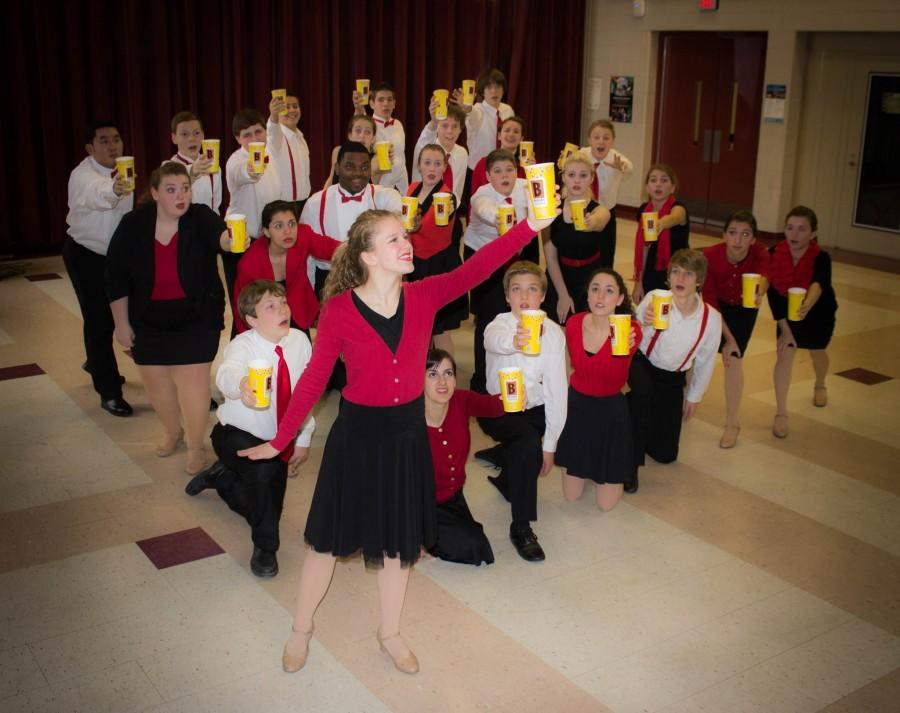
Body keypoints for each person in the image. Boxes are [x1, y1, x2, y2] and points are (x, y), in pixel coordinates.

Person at [237, 202, 557, 676]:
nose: (406, 244)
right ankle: (300, 629)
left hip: (406, 435)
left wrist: (531, 225)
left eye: (403, 237)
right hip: (357, 436)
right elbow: (312, 381)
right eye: (393, 239)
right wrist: (281, 439)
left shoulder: (425, 295)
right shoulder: (340, 310)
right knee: (325, 543)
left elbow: (480, 267)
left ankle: (389, 634)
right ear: (367, 255)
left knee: (396, 545)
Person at [106, 162, 231, 475]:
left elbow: (221, 237)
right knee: (157, 384)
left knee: (194, 385)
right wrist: (122, 324)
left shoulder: (199, 217)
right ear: (155, 194)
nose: (181, 196)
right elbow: (116, 277)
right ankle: (172, 432)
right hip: (148, 319)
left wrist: (230, 241)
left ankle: (194, 445)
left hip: (196, 316)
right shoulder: (134, 224)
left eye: (185, 188)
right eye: (171, 190)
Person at [185, 280, 314, 577]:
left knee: (266, 502)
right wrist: (240, 385)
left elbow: (307, 395)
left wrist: (303, 437)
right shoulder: (242, 345)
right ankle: (265, 547)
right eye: (271, 306)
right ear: (252, 320)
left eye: (283, 302)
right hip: (235, 433)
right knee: (265, 478)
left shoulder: (299, 341)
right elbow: (226, 373)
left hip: (278, 437)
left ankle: (223, 479)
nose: (282, 309)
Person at [477, 261, 567, 562]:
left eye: (531, 289)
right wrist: (514, 340)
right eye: (516, 289)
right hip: (497, 408)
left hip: (534, 409)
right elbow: (494, 341)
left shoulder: (554, 334)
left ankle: (507, 473)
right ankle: (522, 525)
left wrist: (551, 446)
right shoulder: (498, 325)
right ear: (507, 297)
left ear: (542, 296)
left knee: (530, 443)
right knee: (527, 443)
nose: (524, 296)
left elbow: (557, 390)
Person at [627, 249, 722, 491]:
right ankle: (630, 465)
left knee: (666, 454)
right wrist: (642, 320)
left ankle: (637, 422)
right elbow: (634, 325)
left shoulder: (711, 319)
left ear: (699, 281)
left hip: (672, 378)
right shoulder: (657, 297)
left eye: (689, 274)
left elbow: (706, 360)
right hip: (642, 364)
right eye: (676, 272)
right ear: (668, 276)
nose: (680, 279)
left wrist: (694, 396)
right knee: (642, 399)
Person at [64, 120, 134, 417]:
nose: (112, 145)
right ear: (90, 148)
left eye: (116, 139)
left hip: (116, 256)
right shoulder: (83, 175)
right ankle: (108, 391)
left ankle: (96, 361)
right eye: (104, 141)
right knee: (98, 321)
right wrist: (116, 189)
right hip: (86, 255)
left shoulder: (124, 167)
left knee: (126, 315)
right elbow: (99, 193)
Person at [556, 269, 640, 512]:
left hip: (610, 410)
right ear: (588, 295)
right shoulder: (573, 323)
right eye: (595, 289)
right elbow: (567, 367)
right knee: (571, 497)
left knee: (605, 506)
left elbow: (614, 374)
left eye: (609, 290)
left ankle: (606, 468)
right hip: (577, 407)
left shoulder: (630, 331)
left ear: (620, 299)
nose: (600, 296)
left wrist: (623, 349)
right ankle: (586, 464)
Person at [463, 149, 537, 392]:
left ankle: (520, 370)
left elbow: (543, 193)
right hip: (484, 256)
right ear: (487, 175)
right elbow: (485, 209)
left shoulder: (524, 187)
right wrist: (501, 217)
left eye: (509, 170)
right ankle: (481, 379)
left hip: (515, 257)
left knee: (522, 312)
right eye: (497, 171)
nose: (505, 175)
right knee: (488, 316)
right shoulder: (481, 195)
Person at [767, 206, 837, 438]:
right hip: (786, 313)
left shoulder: (821, 257)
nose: (794, 235)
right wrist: (785, 330)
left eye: (802, 229)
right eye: (790, 228)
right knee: (785, 354)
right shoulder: (774, 253)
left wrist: (808, 303)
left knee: (818, 352)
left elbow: (819, 283)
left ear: (813, 233)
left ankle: (820, 383)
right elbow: (774, 295)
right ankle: (781, 413)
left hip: (818, 311)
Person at [424, 349, 499, 566]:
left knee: (480, 548)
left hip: (453, 497)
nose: (442, 381)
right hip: (418, 504)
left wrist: (516, 394)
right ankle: (414, 536)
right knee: (473, 548)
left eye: (448, 373)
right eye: (432, 374)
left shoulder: (461, 400)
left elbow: (493, 406)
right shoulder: (408, 417)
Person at [702, 210, 770, 448]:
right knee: (696, 354)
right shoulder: (710, 256)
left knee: (734, 358)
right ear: (724, 235)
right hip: (716, 307)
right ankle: (683, 405)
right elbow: (710, 303)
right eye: (732, 233)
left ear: (753, 239)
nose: (738, 240)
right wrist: (726, 337)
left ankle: (732, 423)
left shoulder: (760, 252)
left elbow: (765, 274)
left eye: (745, 234)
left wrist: (760, 288)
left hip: (744, 308)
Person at [233, 200, 340, 334]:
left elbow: (332, 248)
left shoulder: (303, 236)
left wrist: (363, 250)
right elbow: (242, 308)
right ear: (266, 231)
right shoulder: (249, 265)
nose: (288, 231)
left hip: (298, 312)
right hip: (265, 321)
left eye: (292, 223)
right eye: (279, 226)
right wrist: (250, 339)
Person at [224, 99, 286, 324]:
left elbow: (275, 134)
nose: (254, 139)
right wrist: (252, 169)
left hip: (266, 239)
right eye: (246, 135)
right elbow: (245, 172)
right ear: (238, 139)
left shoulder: (271, 151)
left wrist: (274, 117)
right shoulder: (235, 162)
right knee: (245, 303)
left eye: (258, 131)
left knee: (269, 299)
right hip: (242, 239)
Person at [406, 145, 467, 355]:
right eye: (427, 163)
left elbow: (429, 229)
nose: (432, 168)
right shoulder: (412, 188)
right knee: (421, 327)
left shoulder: (447, 197)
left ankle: (446, 377)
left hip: (439, 266)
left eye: (437, 163)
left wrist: (403, 226)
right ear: (419, 166)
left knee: (440, 330)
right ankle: (423, 375)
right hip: (415, 267)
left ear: (444, 168)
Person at [543, 154, 612, 323]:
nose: (577, 180)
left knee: (586, 327)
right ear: (563, 177)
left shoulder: (598, 210)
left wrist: (590, 222)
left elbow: (601, 219)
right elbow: (550, 257)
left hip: (590, 276)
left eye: (583, 175)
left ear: (591, 178)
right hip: (559, 275)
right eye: (571, 175)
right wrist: (563, 295)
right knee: (557, 326)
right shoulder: (551, 211)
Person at [578, 119, 633, 267]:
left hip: (607, 212)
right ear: (589, 140)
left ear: (612, 141)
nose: (601, 142)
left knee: (606, 253)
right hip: (584, 209)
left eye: (606, 138)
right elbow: (567, 162)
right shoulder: (582, 154)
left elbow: (628, 167)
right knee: (584, 250)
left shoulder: (616, 158)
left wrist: (621, 167)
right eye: (596, 137)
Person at [632, 164, 689, 303]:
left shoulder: (679, 209)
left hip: (678, 271)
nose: (658, 184)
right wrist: (639, 283)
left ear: (673, 187)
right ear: (647, 187)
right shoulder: (644, 211)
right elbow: (644, 248)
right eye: (653, 180)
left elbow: (675, 218)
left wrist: (662, 222)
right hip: (651, 271)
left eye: (664, 180)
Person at [411, 103, 468, 205]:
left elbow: (457, 189)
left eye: (455, 126)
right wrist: (434, 121)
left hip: (448, 210)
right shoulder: (427, 148)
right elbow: (424, 141)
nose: (450, 131)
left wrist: (453, 206)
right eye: (445, 125)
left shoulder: (462, 154)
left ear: (460, 129)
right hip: (421, 209)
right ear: (437, 127)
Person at [359, 82, 408, 193]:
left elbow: (401, 159)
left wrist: (405, 191)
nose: (386, 104)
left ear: (394, 103)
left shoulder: (398, 124)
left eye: (389, 100)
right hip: (377, 187)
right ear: (371, 104)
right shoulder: (368, 126)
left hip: (400, 187)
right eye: (381, 100)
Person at [167, 110, 221, 213]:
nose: (192, 138)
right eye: (184, 134)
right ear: (174, 138)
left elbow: (215, 206)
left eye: (196, 133)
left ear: (203, 135)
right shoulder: (168, 167)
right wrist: (193, 170)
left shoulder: (214, 166)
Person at [468, 116, 531, 199]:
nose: (511, 134)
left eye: (516, 131)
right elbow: (475, 198)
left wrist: (532, 172)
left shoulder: (526, 166)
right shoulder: (483, 163)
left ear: (521, 139)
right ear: (499, 136)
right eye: (507, 130)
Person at [323, 115, 391, 189]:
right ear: (350, 135)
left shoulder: (376, 159)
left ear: (373, 138)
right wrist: (323, 197)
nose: (362, 136)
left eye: (367, 132)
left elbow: (379, 169)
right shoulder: (338, 151)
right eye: (358, 131)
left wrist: (386, 159)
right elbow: (331, 178)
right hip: (335, 199)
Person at [272, 90, 312, 212]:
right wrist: (273, 116)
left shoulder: (301, 138)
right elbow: (272, 130)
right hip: (283, 207)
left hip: (303, 204)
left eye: (295, 106)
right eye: (286, 107)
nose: (292, 110)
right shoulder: (276, 138)